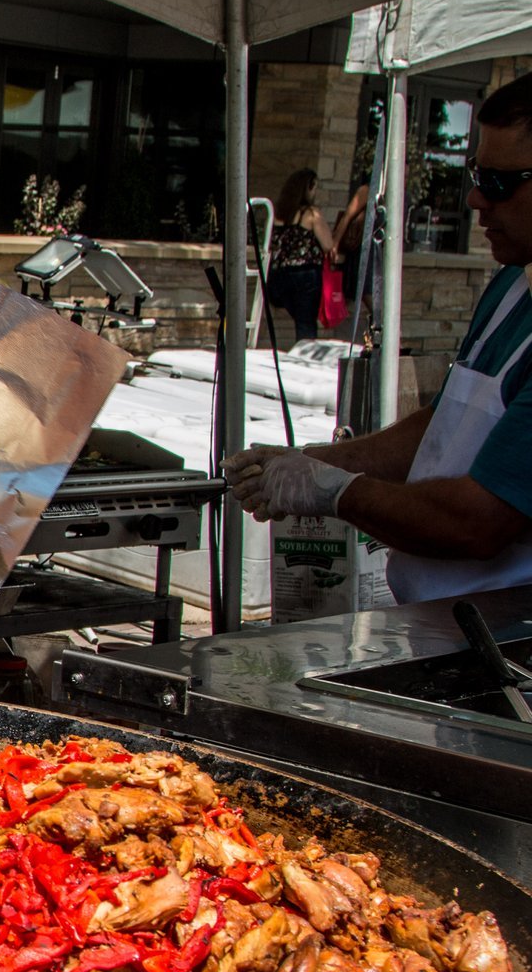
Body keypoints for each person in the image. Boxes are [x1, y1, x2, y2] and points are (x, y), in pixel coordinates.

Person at [226, 73, 532, 604]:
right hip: (444, 617)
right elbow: (444, 424)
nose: (478, 199)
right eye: (477, 175)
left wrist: (336, 493)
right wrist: (317, 461)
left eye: (502, 183)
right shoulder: (513, 282)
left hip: (510, 638)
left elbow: (478, 523)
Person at [266, 168, 337, 341]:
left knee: (299, 317)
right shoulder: (311, 214)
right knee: (306, 323)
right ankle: (306, 357)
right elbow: (328, 245)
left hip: (279, 275)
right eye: (314, 188)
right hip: (305, 275)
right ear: (307, 188)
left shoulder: (279, 213)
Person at [335, 181, 369, 303]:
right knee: (363, 287)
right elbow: (347, 217)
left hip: (377, 249)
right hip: (361, 246)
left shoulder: (397, 197)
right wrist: (335, 243)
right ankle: (379, 319)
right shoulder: (367, 191)